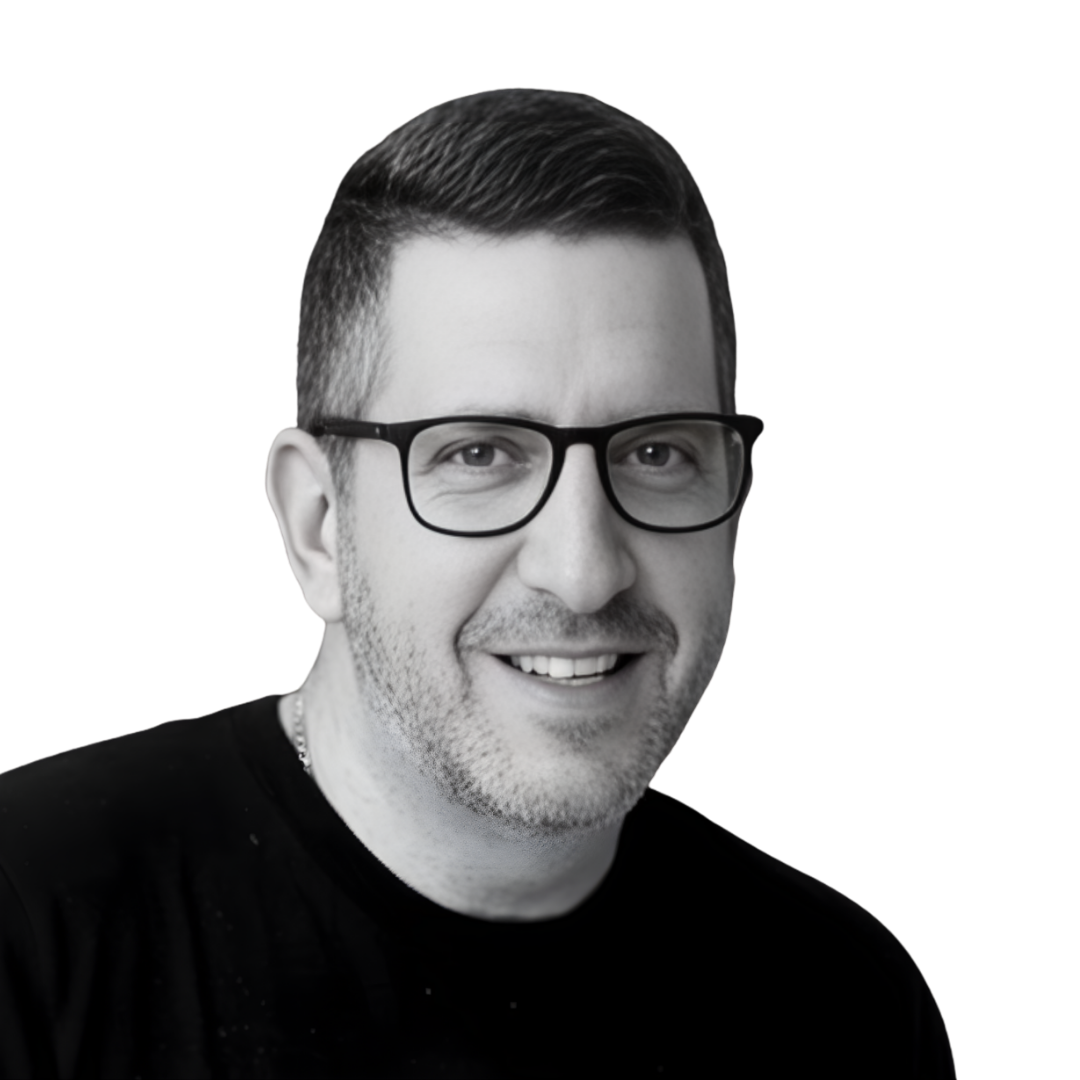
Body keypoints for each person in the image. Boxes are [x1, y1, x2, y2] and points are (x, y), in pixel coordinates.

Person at [0, 89, 954, 1078]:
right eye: (480, 454)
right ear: (319, 525)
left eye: (656, 453)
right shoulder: (29, 925)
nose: (583, 572)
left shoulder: (850, 1008)